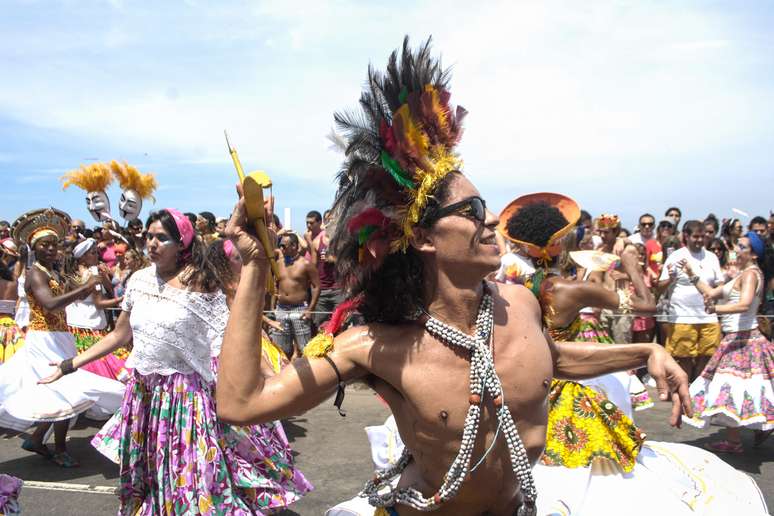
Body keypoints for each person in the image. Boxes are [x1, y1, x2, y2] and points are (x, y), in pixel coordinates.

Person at [216, 37, 691, 516]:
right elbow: (242, 403)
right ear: (423, 236)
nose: (490, 221)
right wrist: (257, 265)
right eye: (474, 210)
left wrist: (645, 350)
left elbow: (549, 360)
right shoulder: (377, 347)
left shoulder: (520, 304)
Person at [40, 208, 311, 513]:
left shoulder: (202, 285)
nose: (152, 244)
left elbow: (233, 338)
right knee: (157, 476)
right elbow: (118, 335)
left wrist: (267, 378)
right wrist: (68, 365)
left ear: (182, 243)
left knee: (194, 478)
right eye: (149, 237)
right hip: (145, 398)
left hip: (188, 399)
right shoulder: (139, 281)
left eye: (162, 238)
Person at [0, 208, 124, 467]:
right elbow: (50, 305)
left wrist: (89, 286)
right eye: (44, 245)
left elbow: (74, 298)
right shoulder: (36, 272)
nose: (50, 249)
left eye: (54, 244)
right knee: (63, 391)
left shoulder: (53, 272)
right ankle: (59, 448)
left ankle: (37, 438)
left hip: (60, 337)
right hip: (44, 339)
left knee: (60, 391)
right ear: (34, 247)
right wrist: (85, 288)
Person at [682, 232, 774, 452]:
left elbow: (744, 304)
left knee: (730, 388)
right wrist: (691, 274)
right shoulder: (742, 274)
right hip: (735, 339)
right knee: (734, 388)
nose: (736, 250)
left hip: (744, 341)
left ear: (752, 254)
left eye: (741, 246)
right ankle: (741, 437)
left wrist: (717, 309)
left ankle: (736, 440)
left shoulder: (751, 275)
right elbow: (712, 292)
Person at [658, 220, 724, 381]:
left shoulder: (711, 257)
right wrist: (670, 278)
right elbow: (660, 287)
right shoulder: (676, 256)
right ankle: (684, 389)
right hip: (682, 316)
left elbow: (720, 283)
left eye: (702, 236)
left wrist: (715, 294)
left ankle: (697, 390)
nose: (700, 240)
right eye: (696, 236)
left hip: (708, 316)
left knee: (708, 355)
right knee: (683, 357)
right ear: (686, 236)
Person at [64, 238, 127, 381]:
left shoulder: (72, 275)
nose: (96, 256)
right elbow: (99, 303)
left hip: (74, 326)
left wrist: (104, 277)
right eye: (93, 253)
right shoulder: (92, 274)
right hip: (90, 327)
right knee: (101, 359)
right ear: (83, 257)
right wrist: (120, 300)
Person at [270, 233, 320, 357]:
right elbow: (276, 285)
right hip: (281, 309)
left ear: (293, 246)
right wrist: (273, 307)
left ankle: (308, 375)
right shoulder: (278, 263)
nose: (281, 249)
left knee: (305, 349)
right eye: (280, 246)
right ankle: (284, 374)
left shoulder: (306, 264)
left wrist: (310, 309)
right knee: (281, 350)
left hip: (300, 309)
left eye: (283, 246)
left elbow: (317, 286)